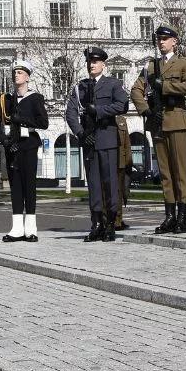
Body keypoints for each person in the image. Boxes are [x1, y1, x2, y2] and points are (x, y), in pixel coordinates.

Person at [131, 26, 186, 235]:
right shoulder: (151, 66)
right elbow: (136, 90)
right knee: (165, 173)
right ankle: (169, 216)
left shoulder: (184, 63)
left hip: (177, 120)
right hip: (158, 122)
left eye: (165, 39)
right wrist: (147, 111)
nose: (161, 42)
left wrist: (166, 87)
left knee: (180, 172)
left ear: (174, 42)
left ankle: (182, 217)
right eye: (159, 39)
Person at [66, 47, 129, 242]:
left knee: (110, 183)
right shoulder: (80, 87)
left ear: (103, 64)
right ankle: (96, 225)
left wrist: (99, 110)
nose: (91, 65)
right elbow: (70, 112)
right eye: (89, 62)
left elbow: (123, 105)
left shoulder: (113, 84)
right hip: (90, 142)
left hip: (108, 140)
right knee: (93, 185)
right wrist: (81, 134)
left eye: (95, 61)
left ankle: (111, 224)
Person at [0, 60, 48, 242]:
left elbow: (43, 123)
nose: (16, 75)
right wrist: (4, 140)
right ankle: (17, 228)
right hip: (12, 146)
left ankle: (31, 229)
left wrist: (22, 119)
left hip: (28, 144)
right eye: (15, 72)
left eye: (20, 72)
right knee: (15, 187)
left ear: (28, 77)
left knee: (29, 186)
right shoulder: (6, 99)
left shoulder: (35, 98)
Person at [114, 114, 132, 231]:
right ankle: (106, 220)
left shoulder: (121, 120)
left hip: (121, 161)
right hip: (108, 160)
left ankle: (118, 220)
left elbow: (127, 143)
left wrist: (129, 162)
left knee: (120, 192)